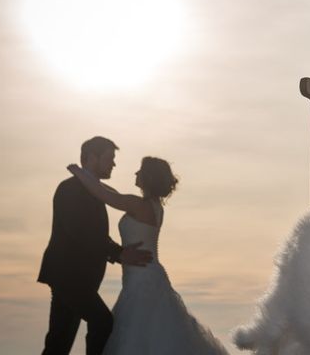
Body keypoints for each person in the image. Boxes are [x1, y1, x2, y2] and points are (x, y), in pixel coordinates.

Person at [67, 156, 229, 355]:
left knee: (141, 334)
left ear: (148, 177)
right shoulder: (150, 205)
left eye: (139, 171)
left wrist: (79, 171)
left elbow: (104, 195)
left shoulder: (138, 205)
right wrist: (92, 177)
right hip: (145, 276)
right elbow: (112, 193)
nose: (135, 173)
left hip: (143, 280)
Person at [38, 136, 153, 355]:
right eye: (110, 158)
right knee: (102, 322)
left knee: (58, 342)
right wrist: (119, 253)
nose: (114, 164)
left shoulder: (95, 190)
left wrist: (118, 252)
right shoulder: (70, 188)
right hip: (69, 275)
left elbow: (96, 234)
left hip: (79, 279)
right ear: (92, 158)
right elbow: (80, 232)